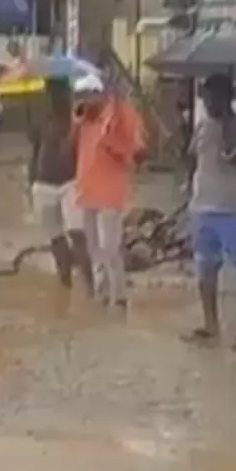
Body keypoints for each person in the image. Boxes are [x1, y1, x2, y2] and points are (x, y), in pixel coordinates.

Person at [185, 74, 236, 350]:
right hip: (202, 208)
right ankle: (210, 326)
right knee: (205, 269)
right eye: (205, 98)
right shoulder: (203, 127)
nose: (207, 103)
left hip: (234, 211)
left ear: (226, 98)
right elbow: (193, 159)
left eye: (212, 98)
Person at [71, 74, 145, 308]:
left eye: (87, 95)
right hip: (87, 190)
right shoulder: (84, 118)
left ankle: (119, 295)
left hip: (110, 192)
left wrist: (113, 144)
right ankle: (102, 295)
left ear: (99, 95)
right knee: (94, 247)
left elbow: (137, 150)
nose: (82, 100)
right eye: (80, 95)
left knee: (110, 247)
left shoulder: (119, 116)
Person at [27, 77, 92, 295]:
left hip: (71, 183)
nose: (55, 98)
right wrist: (31, 184)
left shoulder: (79, 121)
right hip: (43, 185)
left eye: (60, 93)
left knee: (77, 234)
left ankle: (92, 288)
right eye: (51, 93)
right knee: (56, 239)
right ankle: (65, 287)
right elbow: (35, 153)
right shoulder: (40, 120)